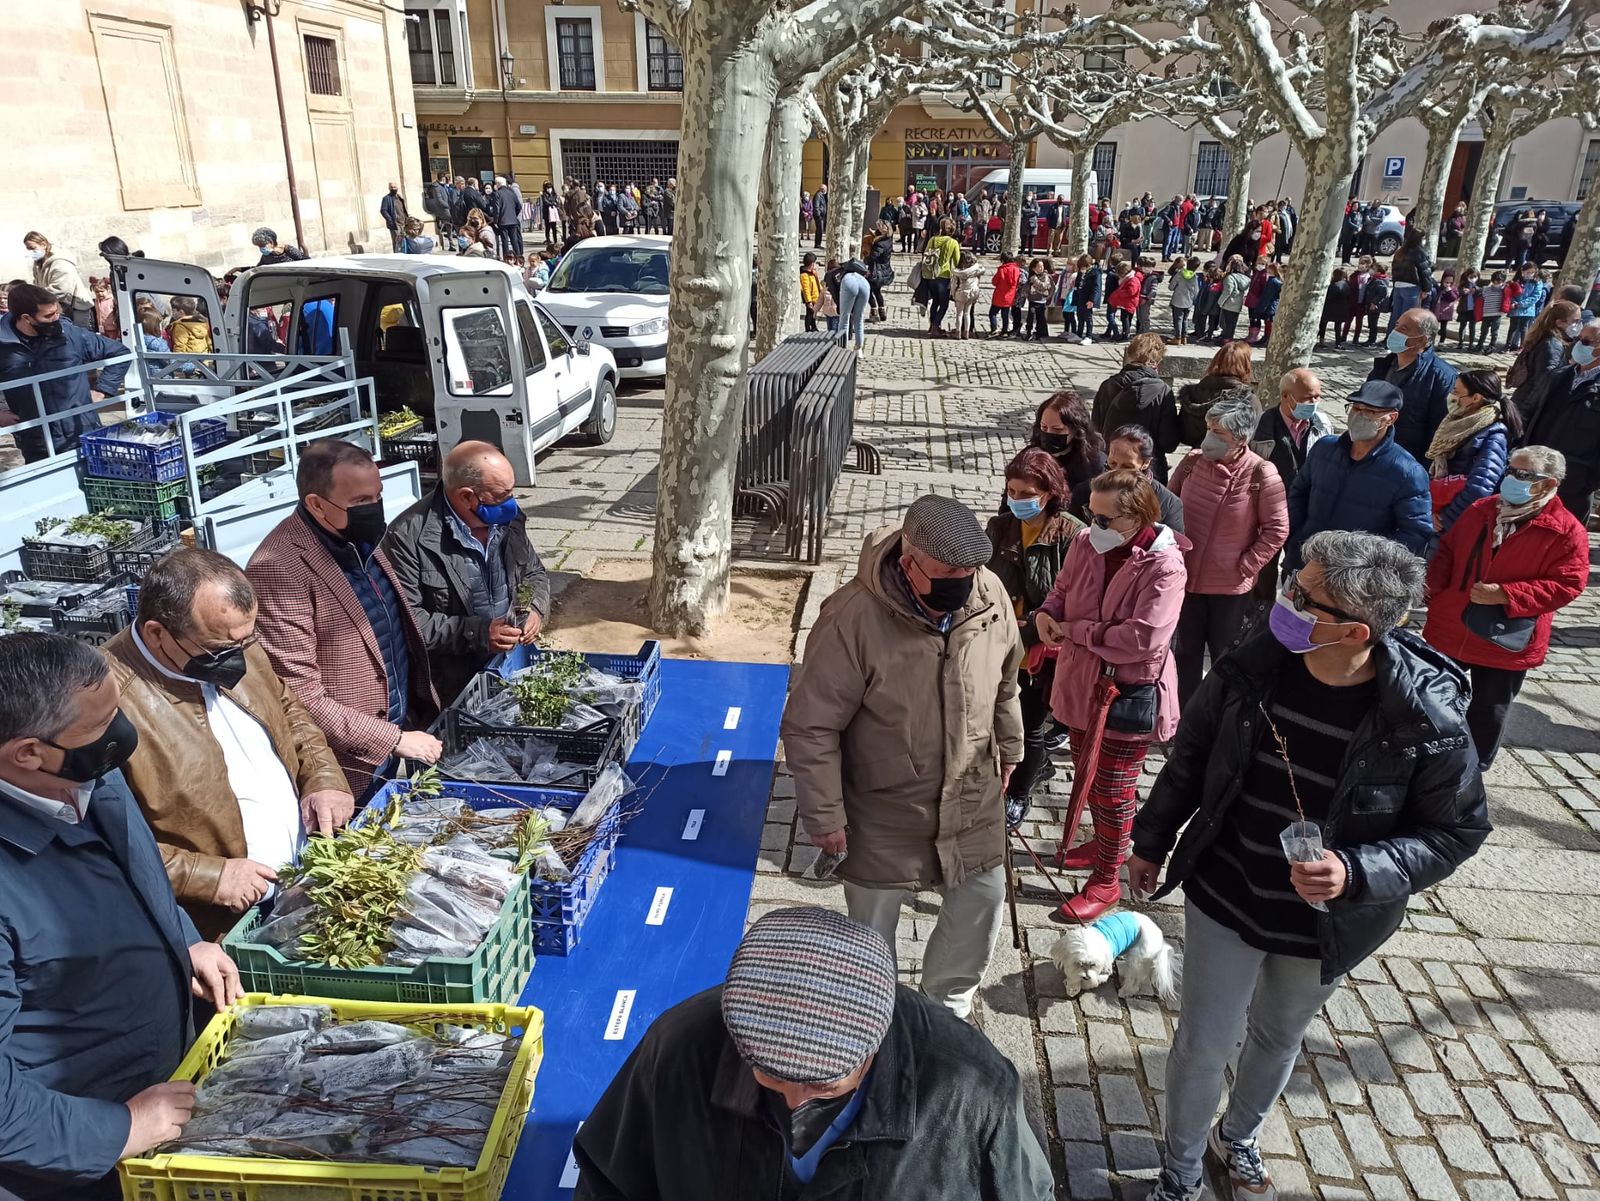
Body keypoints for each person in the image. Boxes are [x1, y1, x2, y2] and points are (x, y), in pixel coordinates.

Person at [1131, 530, 1490, 1201]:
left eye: (1303, 594)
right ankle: (1180, 1170)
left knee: (1277, 1034)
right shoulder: (1254, 661)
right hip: (1227, 891)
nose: (1285, 597)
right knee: (1204, 1043)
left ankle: (1237, 1135)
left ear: (1354, 632)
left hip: (1326, 922)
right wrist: (1151, 839)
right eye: (1293, 581)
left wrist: (1357, 871)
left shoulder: (1426, 717)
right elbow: (1192, 755)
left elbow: (1457, 829)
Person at [572, 906, 1054, 1201]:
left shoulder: (974, 1090)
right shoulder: (677, 1048)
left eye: (825, 1084)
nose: (795, 1104)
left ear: (876, 1044)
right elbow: (607, 1181)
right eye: (770, 1075)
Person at [0, 632, 243, 1200]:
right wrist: (121, 1128)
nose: (122, 735)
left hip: (159, 1085)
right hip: (73, 1163)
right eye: (102, 724)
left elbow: (131, 875)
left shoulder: (85, 773)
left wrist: (181, 940)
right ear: (28, 753)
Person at [782, 495, 1022, 1018]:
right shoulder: (850, 618)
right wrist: (825, 815)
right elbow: (811, 725)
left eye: (969, 571)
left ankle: (945, 1014)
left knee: (981, 906)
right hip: (883, 809)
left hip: (973, 797)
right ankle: (878, 1021)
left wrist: (1011, 745)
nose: (962, 583)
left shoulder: (989, 595)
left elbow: (1007, 680)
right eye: (947, 573)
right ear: (907, 561)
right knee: (871, 936)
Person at [104, 548, 353, 940]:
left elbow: (287, 708)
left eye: (247, 639)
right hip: (221, 927)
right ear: (156, 633)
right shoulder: (105, 704)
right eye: (219, 650)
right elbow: (105, 840)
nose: (238, 656)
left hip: (301, 884)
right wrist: (207, 877)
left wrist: (323, 777)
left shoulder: (231, 636)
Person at [246, 439, 441, 798]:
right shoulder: (278, 569)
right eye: (361, 501)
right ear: (316, 504)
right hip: (348, 766)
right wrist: (392, 739)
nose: (375, 509)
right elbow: (300, 696)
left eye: (378, 496)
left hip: (396, 733)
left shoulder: (357, 537)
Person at [1035, 469, 1189, 920]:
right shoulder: (1087, 542)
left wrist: (1076, 631)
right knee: (1087, 776)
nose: (1094, 525)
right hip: (1081, 682)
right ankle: (1108, 844)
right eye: (1092, 514)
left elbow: (1144, 638)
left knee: (1113, 789)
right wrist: (1047, 615)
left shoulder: (1166, 565)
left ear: (1137, 517)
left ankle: (1107, 880)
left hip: (1128, 692)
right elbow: (1062, 590)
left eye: (1105, 519)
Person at [1426, 445, 1587, 770]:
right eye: (1511, 470)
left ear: (1549, 483)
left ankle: (1472, 771)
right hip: (1451, 622)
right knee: (1430, 697)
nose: (1512, 479)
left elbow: (1568, 583)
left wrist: (1507, 594)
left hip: (1504, 637)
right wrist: (1433, 586)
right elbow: (1448, 551)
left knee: (1489, 710)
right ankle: (1426, 757)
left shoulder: (1567, 530)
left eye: (1524, 474)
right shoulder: (1481, 509)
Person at [380, 441, 549, 707]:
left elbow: (534, 572)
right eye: (502, 495)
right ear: (467, 496)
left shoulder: (509, 519)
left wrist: (536, 609)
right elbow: (410, 622)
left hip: (511, 667)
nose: (511, 502)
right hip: (453, 688)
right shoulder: (407, 537)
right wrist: (479, 633)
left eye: (511, 491)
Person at [1169, 394, 1289, 706]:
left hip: (1229, 588)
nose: (1208, 437)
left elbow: (1277, 529)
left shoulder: (1262, 474)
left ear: (1241, 438)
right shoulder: (1192, 462)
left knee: (1224, 656)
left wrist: (1246, 565)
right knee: (1185, 652)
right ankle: (1184, 714)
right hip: (1185, 579)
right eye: (1209, 428)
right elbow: (1168, 507)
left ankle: (1219, 713)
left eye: (1218, 432)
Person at [986, 450, 1086, 825]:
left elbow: (1070, 601)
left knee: (1027, 725)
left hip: (1039, 651)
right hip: (996, 642)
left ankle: (1019, 793)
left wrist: (1026, 627)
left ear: (1049, 493)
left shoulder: (1072, 535)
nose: (1017, 500)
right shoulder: (1000, 527)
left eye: (1027, 493)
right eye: (1012, 491)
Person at [1284, 380, 1432, 570]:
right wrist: (1296, 537)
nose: (1359, 416)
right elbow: (1298, 493)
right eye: (1356, 408)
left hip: (1355, 577)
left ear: (1391, 418)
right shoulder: (1324, 449)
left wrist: (1365, 564)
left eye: (1370, 411)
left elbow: (1415, 533)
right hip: (1302, 562)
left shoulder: (1407, 472)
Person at [0, 281, 131, 462]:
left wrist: (102, 390)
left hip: (81, 430)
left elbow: (120, 353)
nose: (56, 318)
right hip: (35, 441)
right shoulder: (4, 346)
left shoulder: (69, 334)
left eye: (57, 312)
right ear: (27, 318)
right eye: (49, 315)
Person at [1519, 318, 1600, 522]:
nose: (1578, 345)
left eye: (1586, 342)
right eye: (1578, 338)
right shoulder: (1558, 376)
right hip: (1532, 474)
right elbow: (1528, 412)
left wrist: (1587, 482)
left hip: (1573, 487)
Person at [1427, 368, 1516, 537]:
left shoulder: (1494, 434)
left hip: (1457, 523)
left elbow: (1480, 488)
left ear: (1475, 398)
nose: (1451, 396)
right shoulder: (1459, 422)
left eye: (1456, 392)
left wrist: (1445, 518)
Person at [1366, 307, 1457, 463]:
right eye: (1396, 326)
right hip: (1372, 451)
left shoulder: (1442, 376)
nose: (1395, 332)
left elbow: (1440, 427)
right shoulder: (1383, 366)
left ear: (1422, 340)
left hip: (1408, 459)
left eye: (1404, 329)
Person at [1091, 332, 1181, 483]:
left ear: (1130, 355)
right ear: (1157, 361)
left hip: (1112, 464)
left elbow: (1097, 428)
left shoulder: (1108, 386)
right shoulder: (1162, 391)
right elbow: (1168, 442)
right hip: (1149, 468)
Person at [1070, 425, 1185, 532]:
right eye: (1112, 464)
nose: (1116, 472)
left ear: (1145, 463)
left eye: (1127, 467)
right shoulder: (1084, 492)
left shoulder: (1168, 504)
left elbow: (1173, 544)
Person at [1509, 299, 1582, 424]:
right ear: (1559, 322)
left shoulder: (1551, 339)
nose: (1578, 325)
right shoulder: (1552, 345)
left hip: (1525, 401)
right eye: (1575, 321)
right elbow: (1545, 381)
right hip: (1527, 405)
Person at [1025, 390, 1107, 495]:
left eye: (1057, 429)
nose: (1048, 433)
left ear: (1076, 430)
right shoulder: (1029, 457)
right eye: (1044, 427)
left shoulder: (1095, 464)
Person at [1176, 339, 1251, 447]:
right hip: (1231, 454)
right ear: (1246, 365)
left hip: (1198, 453)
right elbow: (1253, 437)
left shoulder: (1191, 393)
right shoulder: (1246, 397)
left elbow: (1184, 432)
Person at [23, 232, 94, 328]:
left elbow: (60, 290)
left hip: (75, 308)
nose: (30, 252)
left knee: (78, 334)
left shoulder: (61, 262)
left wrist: (36, 298)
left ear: (43, 245)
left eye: (32, 248)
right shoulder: (38, 263)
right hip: (55, 307)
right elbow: (37, 284)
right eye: (28, 249)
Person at [1386, 227, 1434, 336]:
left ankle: (1390, 339)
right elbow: (1425, 272)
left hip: (1398, 286)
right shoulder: (1419, 252)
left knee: (1396, 316)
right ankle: (1402, 341)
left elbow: (1394, 270)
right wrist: (1426, 288)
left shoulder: (1400, 252)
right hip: (1411, 287)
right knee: (1408, 317)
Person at [923, 218, 962, 337]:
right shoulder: (953, 243)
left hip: (930, 275)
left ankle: (932, 325)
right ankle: (936, 327)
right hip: (944, 276)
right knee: (944, 304)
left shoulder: (932, 240)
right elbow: (957, 261)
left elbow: (925, 254)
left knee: (935, 301)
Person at [1507, 262, 1550, 352]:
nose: (1529, 274)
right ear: (1522, 272)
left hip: (1528, 310)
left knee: (1524, 328)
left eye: (1532, 272)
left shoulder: (1537, 283)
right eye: (1527, 272)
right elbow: (1511, 294)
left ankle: (1522, 346)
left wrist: (1521, 304)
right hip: (1515, 309)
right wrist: (1513, 303)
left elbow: (1535, 297)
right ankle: (1509, 345)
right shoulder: (1517, 281)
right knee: (1513, 327)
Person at [837, 258, 871, 349]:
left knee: (844, 317)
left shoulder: (845, 276)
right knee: (859, 317)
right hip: (864, 285)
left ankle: (842, 347)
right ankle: (859, 347)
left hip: (849, 285)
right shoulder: (862, 278)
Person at [380, 183, 409, 252]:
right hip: (395, 224)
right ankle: (397, 255)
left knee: (405, 240)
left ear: (397, 187)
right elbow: (383, 210)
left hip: (404, 223)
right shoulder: (386, 198)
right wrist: (390, 219)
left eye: (394, 187)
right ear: (389, 188)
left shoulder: (400, 198)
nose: (393, 188)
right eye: (391, 187)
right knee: (397, 241)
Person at [813, 184, 829, 249]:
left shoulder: (822, 195)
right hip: (819, 216)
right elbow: (816, 205)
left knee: (820, 229)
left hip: (822, 215)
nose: (826, 190)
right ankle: (817, 244)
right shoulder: (818, 195)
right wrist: (818, 214)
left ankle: (818, 243)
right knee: (820, 229)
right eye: (825, 189)